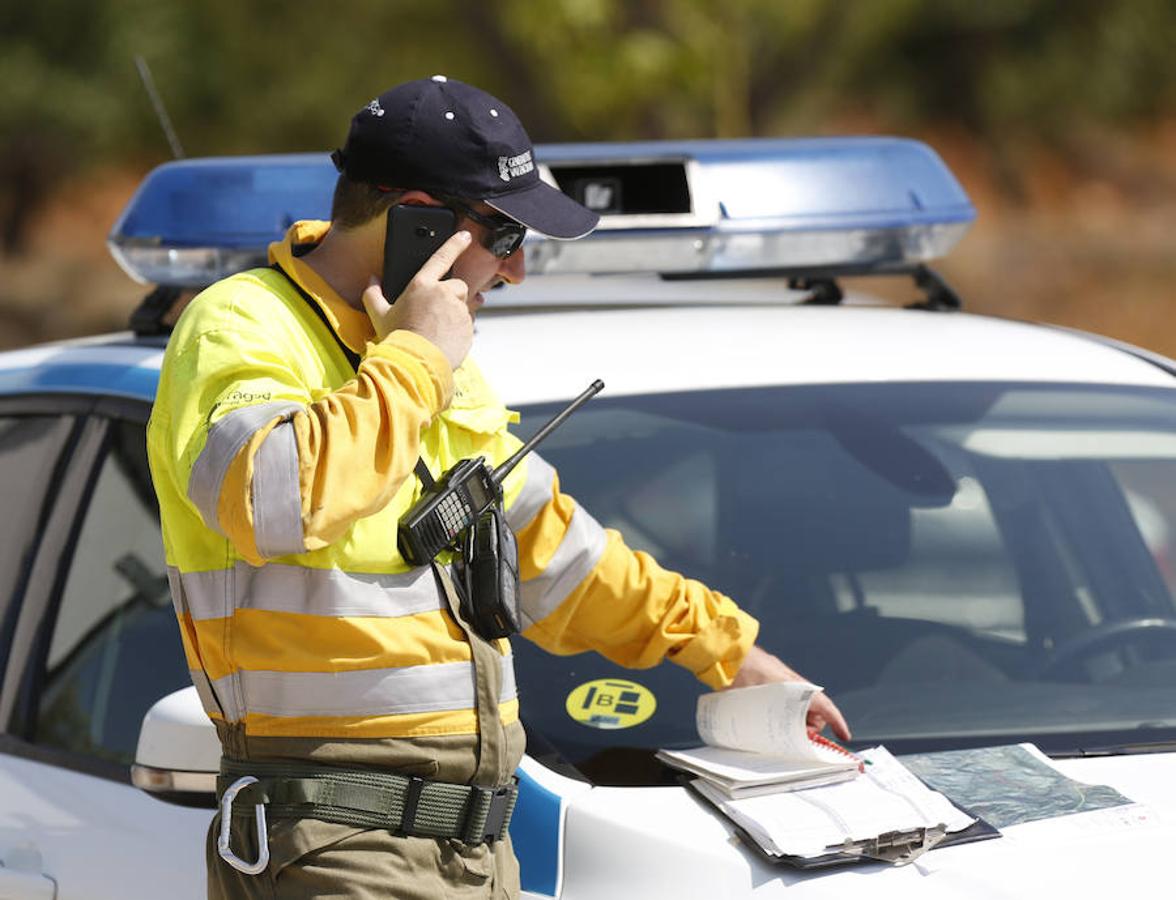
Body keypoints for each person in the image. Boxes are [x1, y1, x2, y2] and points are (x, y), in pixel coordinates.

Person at [147, 75, 849, 900]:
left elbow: (557, 556)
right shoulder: (243, 325)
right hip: (336, 839)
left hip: (474, 847)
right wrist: (414, 359)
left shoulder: (427, 359)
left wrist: (730, 653)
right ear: (420, 218)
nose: (514, 269)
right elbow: (276, 502)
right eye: (506, 233)